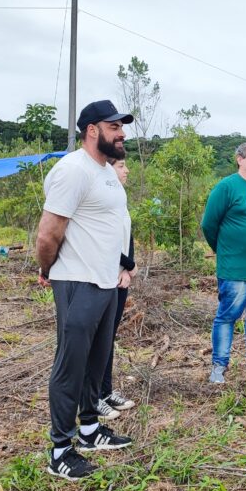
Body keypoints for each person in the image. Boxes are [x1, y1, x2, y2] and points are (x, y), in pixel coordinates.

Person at [36, 100, 135, 480]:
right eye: (114, 127)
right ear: (92, 130)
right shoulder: (73, 171)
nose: (121, 133)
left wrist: (123, 267)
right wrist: (47, 269)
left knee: (97, 360)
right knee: (71, 364)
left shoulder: (105, 171)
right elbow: (49, 232)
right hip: (78, 279)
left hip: (106, 280)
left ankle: (90, 431)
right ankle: (60, 449)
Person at [201, 141, 246, 384]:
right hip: (235, 269)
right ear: (239, 160)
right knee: (227, 316)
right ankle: (219, 366)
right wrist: (224, 251)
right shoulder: (227, 187)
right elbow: (209, 224)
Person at [96, 158, 138, 420]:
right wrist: (128, 264)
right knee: (97, 340)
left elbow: (126, 237)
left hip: (118, 276)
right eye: (121, 165)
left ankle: (105, 391)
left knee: (108, 337)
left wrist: (125, 269)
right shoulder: (102, 196)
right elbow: (104, 238)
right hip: (101, 276)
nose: (127, 170)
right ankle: (92, 398)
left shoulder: (119, 197)